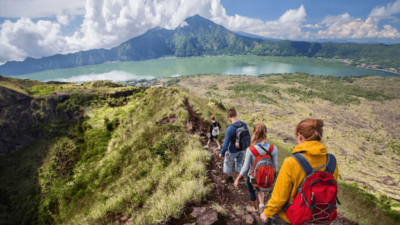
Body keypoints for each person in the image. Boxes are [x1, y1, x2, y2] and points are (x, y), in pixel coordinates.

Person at [260, 118, 339, 224]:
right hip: (320, 218)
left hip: (293, 218)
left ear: (300, 135)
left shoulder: (292, 162)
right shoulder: (332, 162)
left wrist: (266, 213)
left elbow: (280, 198)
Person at [234, 124, 278, 214]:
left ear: (255, 133)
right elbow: (275, 166)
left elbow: (245, 167)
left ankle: (255, 209)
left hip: (253, 178)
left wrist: (237, 179)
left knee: (252, 191)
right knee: (260, 186)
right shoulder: (273, 149)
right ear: (266, 133)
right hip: (266, 177)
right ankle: (262, 205)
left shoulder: (251, 149)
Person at [220, 108, 249, 183]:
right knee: (239, 162)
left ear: (229, 116)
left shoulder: (230, 128)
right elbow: (247, 137)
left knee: (228, 162)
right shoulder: (244, 124)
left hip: (232, 150)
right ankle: (240, 177)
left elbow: (226, 143)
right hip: (242, 149)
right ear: (236, 115)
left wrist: (222, 153)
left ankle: (230, 178)